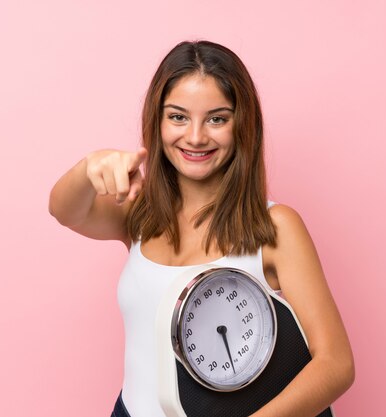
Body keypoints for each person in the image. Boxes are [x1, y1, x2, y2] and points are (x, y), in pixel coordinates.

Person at [49, 40, 354, 417]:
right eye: (178, 117)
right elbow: (65, 211)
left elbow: (336, 364)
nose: (195, 137)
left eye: (217, 118)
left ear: (242, 124)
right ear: (157, 121)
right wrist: (89, 167)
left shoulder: (275, 227)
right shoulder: (139, 215)